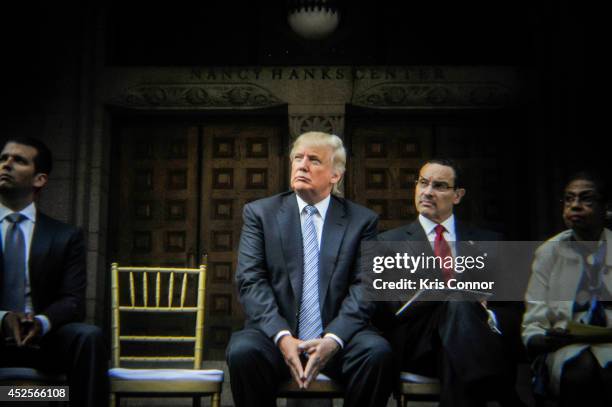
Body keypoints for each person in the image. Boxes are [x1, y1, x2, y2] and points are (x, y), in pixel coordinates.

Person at [226, 131, 393, 407]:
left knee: (377, 353)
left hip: (339, 340)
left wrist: (333, 338)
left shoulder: (362, 221)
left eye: (314, 160)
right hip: (275, 335)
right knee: (243, 351)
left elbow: (366, 286)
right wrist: (282, 337)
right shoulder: (260, 214)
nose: (302, 165)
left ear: (335, 175)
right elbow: (250, 281)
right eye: (297, 158)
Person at [376, 158, 523, 407]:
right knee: (456, 300)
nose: (428, 192)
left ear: (457, 195)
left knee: (458, 316)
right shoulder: (388, 243)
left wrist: (486, 315)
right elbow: (385, 310)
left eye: (440, 186)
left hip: (471, 340)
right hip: (418, 344)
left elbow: (513, 312)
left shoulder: (490, 242)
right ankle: (505, 392)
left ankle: (485, 376)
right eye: (423, 183)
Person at [0, 137, 108, 407]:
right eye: (3, 158)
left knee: (89, 336)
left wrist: (40, 323)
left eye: (19, 160)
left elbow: (72, 301)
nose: (6, 165)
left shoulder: (65, 236)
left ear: (40, 180)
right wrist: (3, 318)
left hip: (43, 341)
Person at [522, 171, 612, 406]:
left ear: (606, 208)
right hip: (565, 348)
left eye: (586, 199)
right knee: (580, 370)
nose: (575, 206)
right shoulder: (548, 253)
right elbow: (533, 323)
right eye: (569, 199)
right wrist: (545, 338)